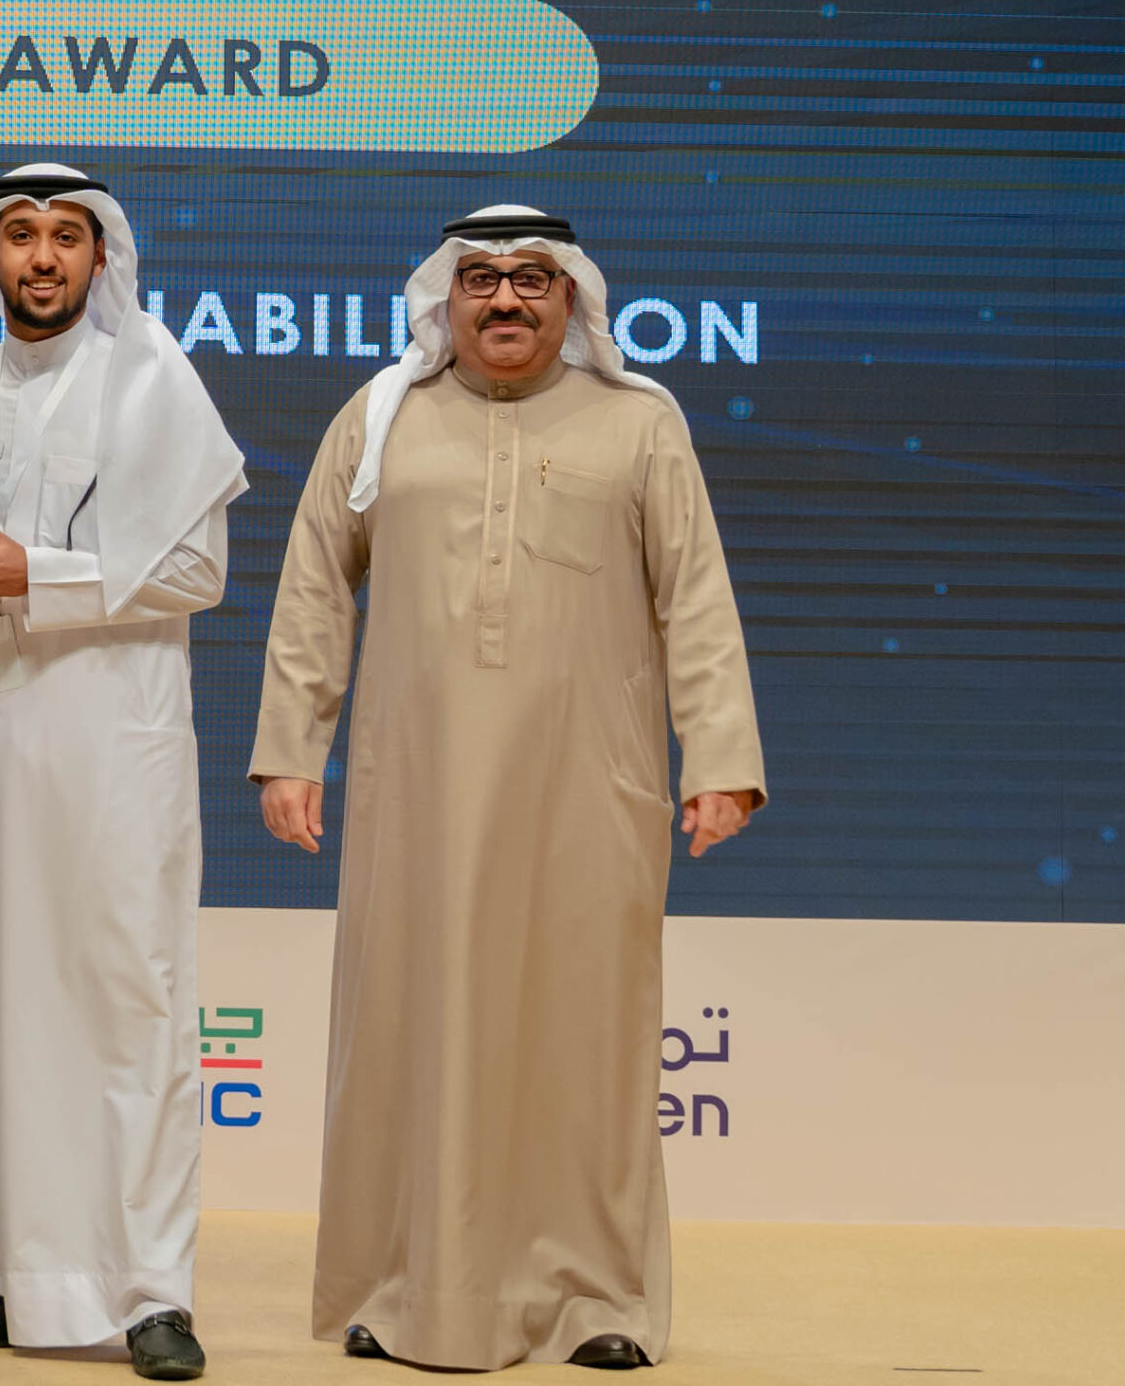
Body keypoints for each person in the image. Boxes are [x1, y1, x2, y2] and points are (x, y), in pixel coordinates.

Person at [252, 204, 766, 1372]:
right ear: (446, 297)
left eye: (531, 278)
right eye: (480, 278)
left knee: (585, 1040)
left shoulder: (639, 423)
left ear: (570, 298)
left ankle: (595, 1296)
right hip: (414, 789)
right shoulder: (379, 417)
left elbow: (695, 596)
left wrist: (720, 758)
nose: (504, 298)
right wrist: (291, 746)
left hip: (589, 787)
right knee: (406, 1032)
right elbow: (314, 587)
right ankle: (396, 1287)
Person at [0, 164, 245, 1384]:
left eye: (66, 235)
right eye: (19, 235)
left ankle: (152, 1291)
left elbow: (198, 574)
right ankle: (25, 1275)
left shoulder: (154, 379)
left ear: (98, 254)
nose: (42, 256)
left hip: (114, 739)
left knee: (131, 1007)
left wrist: (43, 575)